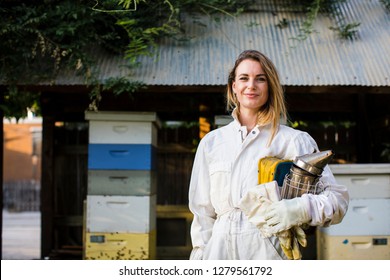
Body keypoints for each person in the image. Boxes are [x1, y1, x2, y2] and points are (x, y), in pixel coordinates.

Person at [188, 50, 349, 260]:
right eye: (244, 78)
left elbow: (337, 201)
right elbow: (202, 214)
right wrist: (199, 259)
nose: (251, 85)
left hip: (268, 253)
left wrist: (301, 208)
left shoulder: (294, 140)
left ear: (270, 86)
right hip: (218, 255)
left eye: (260, 79)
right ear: (233, 87)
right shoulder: (212, 142)